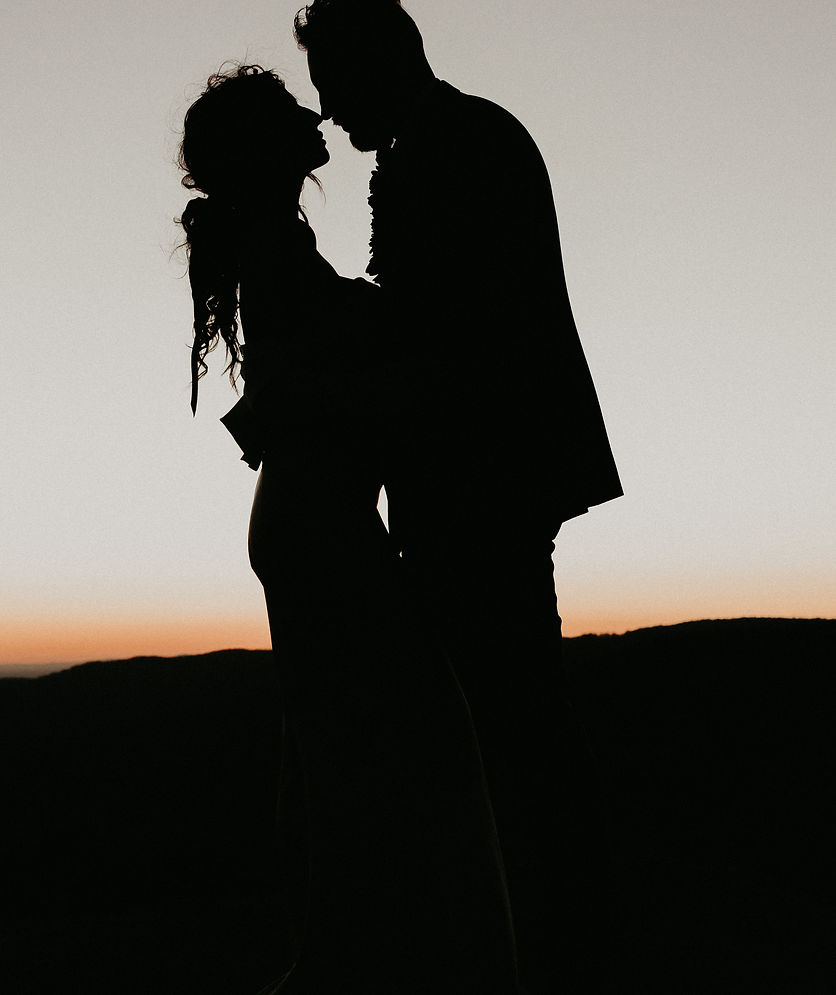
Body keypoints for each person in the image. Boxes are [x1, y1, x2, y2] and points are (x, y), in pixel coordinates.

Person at [293, 0, 624, 994]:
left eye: (333, 83)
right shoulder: (449, 142)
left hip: (483, 474)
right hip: (486, 471)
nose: (329, 112)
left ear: (380, 59)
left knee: (504, 708)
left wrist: (321, 334)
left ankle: (552, 932)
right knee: (506, 701)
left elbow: (448, 332)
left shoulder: (450, 151)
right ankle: (543, 918)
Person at [177, 65, 521, 993]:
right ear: (264, 146)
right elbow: (319, 386)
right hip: (320, 523)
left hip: (311, 517)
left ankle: (348, 949)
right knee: (398, 741)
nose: (314, 114)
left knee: (347, 742)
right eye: (293, 109)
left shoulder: (275, 242)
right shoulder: (277, 247)